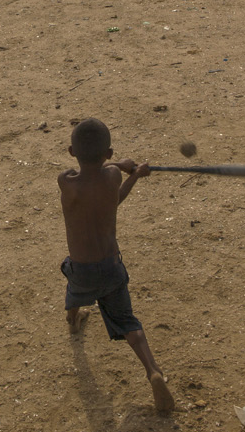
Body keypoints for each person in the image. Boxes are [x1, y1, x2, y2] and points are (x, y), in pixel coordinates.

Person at [58, 118, 174, 412]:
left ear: (72, 151)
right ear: (108, 154)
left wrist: (123, 167)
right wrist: (132, 171)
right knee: (128, 322)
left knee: (72, 278)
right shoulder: (112, 177)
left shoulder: (67, 182)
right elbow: (113, 197)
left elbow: (103, 190)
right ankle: (153, 371)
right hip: (111, 268)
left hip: (82, 269)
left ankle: (73, 318)